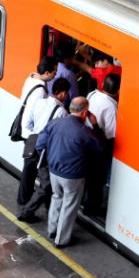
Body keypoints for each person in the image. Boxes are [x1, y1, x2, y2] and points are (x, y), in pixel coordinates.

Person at [38, 97, 105, 247]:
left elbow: (40, 142)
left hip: (54, 170)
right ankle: (61, 240)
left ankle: (52, 230)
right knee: (69, 206)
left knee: (56, 197)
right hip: (73, 176)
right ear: (85, 112)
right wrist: (95, 125)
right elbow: (100, 147)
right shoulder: (85, 131)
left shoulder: (55, 123)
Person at [18, 78, 72, 223]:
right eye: (67, 93)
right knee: (47, 183)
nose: (67, 96)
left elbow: (28, 123)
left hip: (31, 141)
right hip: (44, 150)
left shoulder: (39, 102)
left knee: (28, 174)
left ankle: (25, 202)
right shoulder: (62, 112)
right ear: (62, 93)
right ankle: (27, 212)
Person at [16, 57, 58, 206]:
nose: (55, 75)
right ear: (46, 73)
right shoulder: (40, 91)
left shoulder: (31, 78)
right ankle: (24, 200)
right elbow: (29, 116)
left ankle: (24, 197)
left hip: (28, 133)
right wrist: (35, 133)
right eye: (54, 72)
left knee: (29, 167)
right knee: (30, 169)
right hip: (31, 135)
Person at [83, 73, 120, 215]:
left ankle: (84, 201)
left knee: (87, 174)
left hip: (85, 141)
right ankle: (91, 208)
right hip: (98, 147)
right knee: (97, 179)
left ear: (103, 84)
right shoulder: (111, 108)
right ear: (118, 91)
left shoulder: (92, 94)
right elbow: (111, 135)